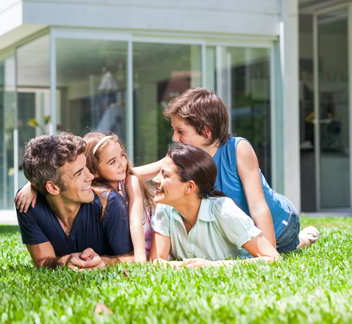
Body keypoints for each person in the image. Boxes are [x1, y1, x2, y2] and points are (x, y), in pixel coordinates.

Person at [137, 87, 319, 254]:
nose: (174, 137)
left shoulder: (238, 149)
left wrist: (268, 253)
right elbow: (141, 172)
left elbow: (258, 208)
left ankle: (304, 238)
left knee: (282, 250)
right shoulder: (185, 158)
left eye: (180, 131)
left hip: (280, 225)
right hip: (243, 230)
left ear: (206, 131)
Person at [16, 131, 155, 263]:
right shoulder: (27, 203)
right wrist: (65, 262)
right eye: (79, 173)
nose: (90, 177)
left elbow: (133, 259)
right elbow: (42, 261)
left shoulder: (112, 200)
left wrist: (104, 262)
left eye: (86, 167)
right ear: (52, 187)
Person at [149, 144, 279, 267]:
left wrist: (212, 266)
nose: (155, 179)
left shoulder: (223, 211)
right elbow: (156, 260)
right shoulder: (165, 208)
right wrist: (182, 266)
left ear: (189, 187)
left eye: (165, 175)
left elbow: (273, 258)